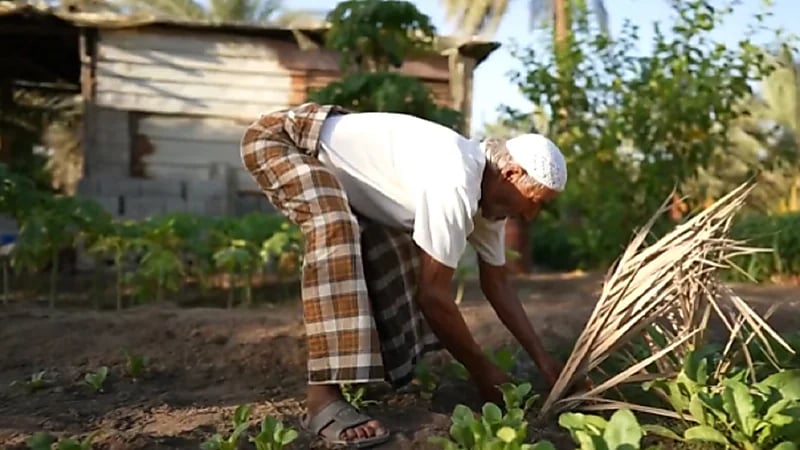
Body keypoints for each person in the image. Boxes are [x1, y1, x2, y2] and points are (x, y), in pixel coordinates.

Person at [239, 102, 569, 448]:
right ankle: (322, 399)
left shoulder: (490, 203)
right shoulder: (456, 180)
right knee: (335, 228)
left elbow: (497, 283)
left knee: (396, 251)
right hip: (285, 140)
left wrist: (542, 358)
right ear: (511, 173)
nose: (530, 216)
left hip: (335, 168)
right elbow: (433, 297)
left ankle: (367, 367)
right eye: (533, 201)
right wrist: (483, 371)